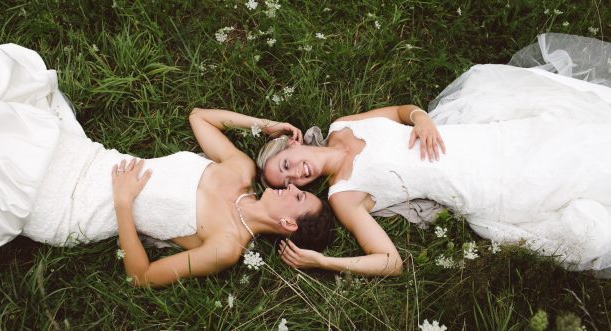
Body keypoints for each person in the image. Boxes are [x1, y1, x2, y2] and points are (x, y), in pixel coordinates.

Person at [0, 44, 335, 287]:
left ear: (288, 224)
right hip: (87, 158)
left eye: (299, 197)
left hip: (74, 208)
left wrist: (123, 204)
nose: (292, 186)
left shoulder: (226, 246)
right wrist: (262, 125)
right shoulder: (240, 171)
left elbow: (141, 276)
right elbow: (201, 117)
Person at [258, 34, 611, 277]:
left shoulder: (342, 126)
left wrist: (421, 119)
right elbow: (390, 261)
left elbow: (401, 111)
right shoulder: (343, 196)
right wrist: (323, 261)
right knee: (568, 174)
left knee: (571, 135)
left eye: (285, 165)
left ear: (293, 144)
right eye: (288, 181)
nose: (296, 175)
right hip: (484, 184)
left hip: (481, 138)